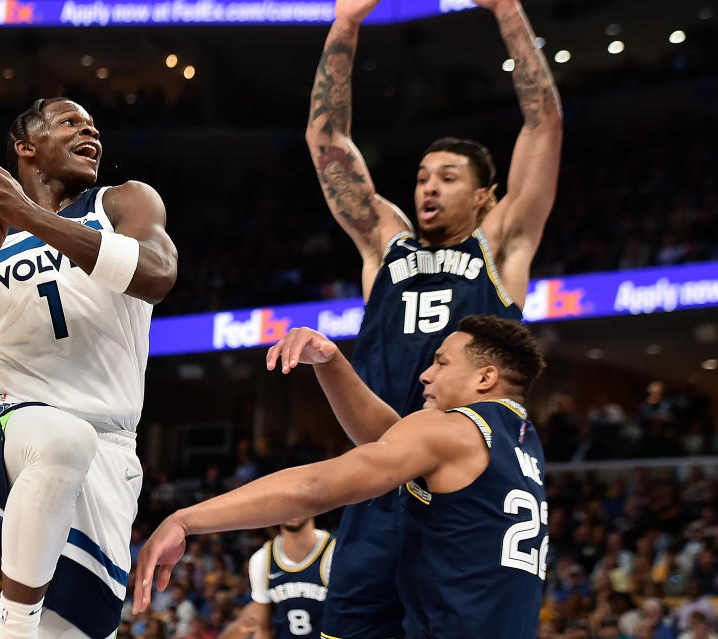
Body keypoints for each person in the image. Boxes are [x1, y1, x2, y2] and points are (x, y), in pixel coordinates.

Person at [302, 0, 562, 635]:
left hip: (461, 483)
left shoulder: (501, 245)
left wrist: (505, 11)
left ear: (484, 196)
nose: (428, 187)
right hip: (380, 475)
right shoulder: (384, 243)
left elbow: (544, 125)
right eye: (421, 176)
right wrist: (345, 24)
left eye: (447, 177)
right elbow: (326, 141)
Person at [0, 97, 178, 639]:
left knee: (76, 632)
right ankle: (12, 625)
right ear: (26, 147)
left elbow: (158, 275)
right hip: (9, 426)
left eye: (93, 123)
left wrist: (30, 217)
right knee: (62, 440)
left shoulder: (121, 203)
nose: (90, 129)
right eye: (69, 121)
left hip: (111, 453)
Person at [135, 315, 548, 638]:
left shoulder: (450, 429)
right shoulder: (522, 443)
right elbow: (390, 439)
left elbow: (315, 488)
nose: (426, 375)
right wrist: (331, 363)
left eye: (441, 363)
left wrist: (185, 519)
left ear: (484, 377)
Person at [217, 517, 335, 639]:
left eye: (296, 501)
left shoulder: (335, 553)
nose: (293, 510)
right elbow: (263, 629)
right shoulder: (261, 559)